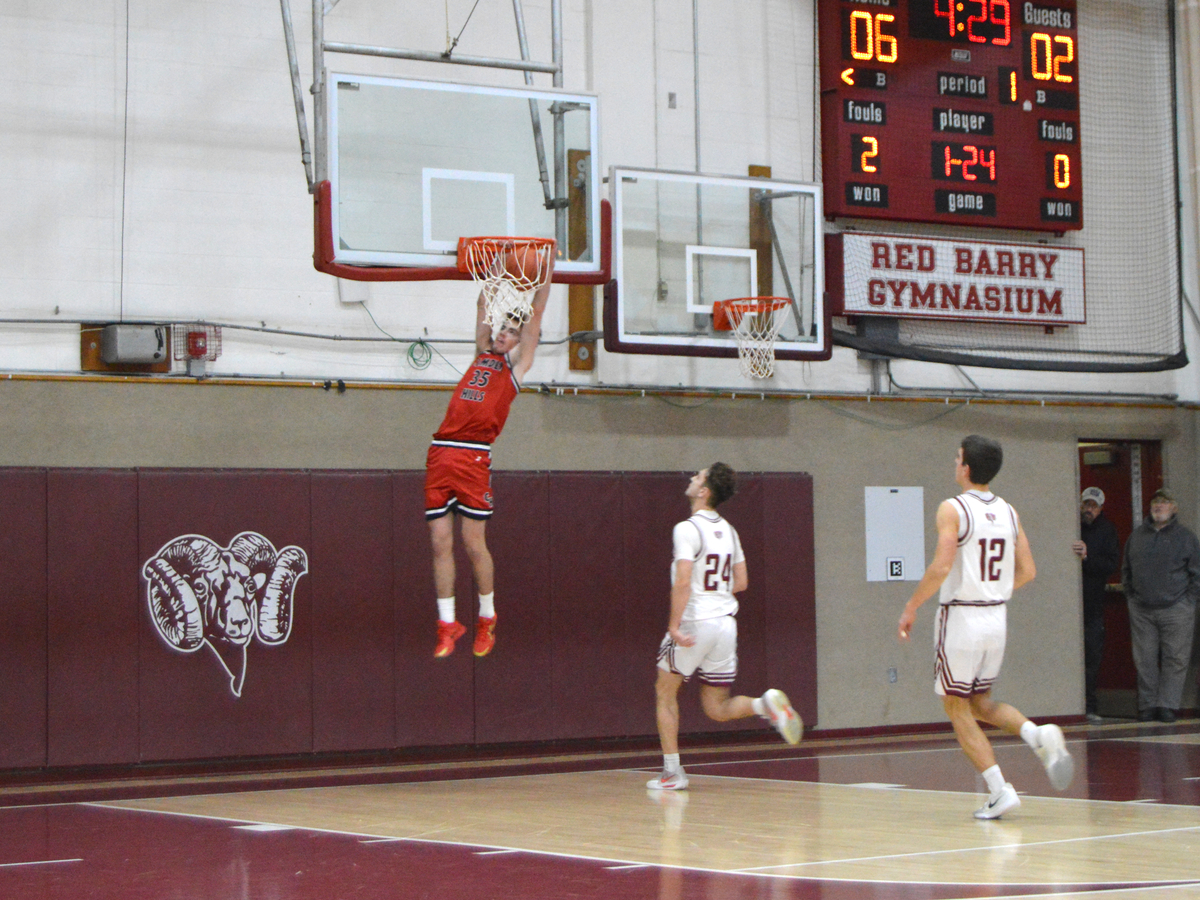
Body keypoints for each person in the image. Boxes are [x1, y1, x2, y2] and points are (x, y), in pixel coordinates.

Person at [898, 435, 1074, 819]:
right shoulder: (1009, 511)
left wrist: (912, 605)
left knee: (955, 706)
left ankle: (999, 790)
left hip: (962, 616)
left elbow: (942, 566)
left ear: (966, 468)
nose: (954, 461)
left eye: (957, 456)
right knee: (981, 703)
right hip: (996, 617)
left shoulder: (953, 509)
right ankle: (1035, 734)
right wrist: (992, 590)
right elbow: (1028, 571)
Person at [425, 249, 554, 659]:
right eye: (503, 327)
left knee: (472, 542)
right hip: (441, 452)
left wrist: (544, 277)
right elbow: (484, 304)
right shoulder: (482, 353)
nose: (504, 332)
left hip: (473, 457)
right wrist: (494, 270)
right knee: (440, 542)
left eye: (511, 331)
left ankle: (486, 617)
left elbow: (534, 324)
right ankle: (448, 624)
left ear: (519, 342)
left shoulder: (515, 370)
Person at [647, 463, 803, 791]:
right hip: (725, 625)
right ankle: (765, 705)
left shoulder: (687, 528)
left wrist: (674, 625)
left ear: (704, 491)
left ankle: (673, 773)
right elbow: (742, 581)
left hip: (696, 622)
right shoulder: (730, 530)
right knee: (715, 708)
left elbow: (684, 581)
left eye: (698, 477)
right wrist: (715, 592)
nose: (692, 478)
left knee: (665, 692)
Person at [1121, 486, 1200, 723]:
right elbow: (1126, 570)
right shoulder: (1136, 537)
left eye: (1164, 502)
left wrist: (1188, 601)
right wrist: (1131, 598)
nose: (1159, 506)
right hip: (1142, 608)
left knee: (1175, 658)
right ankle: (1147, 705)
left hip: (1177, 608)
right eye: (1156, 502)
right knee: (1144, 658)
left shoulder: (1186, 537)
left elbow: (1196, 573)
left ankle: (1167, 705)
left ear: (1173, 508)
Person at [1072, 486, 1120, 724]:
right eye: (1085, 505)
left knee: (1092, 657)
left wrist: (1087, 557)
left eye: (1093, 506)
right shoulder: (1072, 526)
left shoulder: (1108, 530)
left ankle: (1090, 706)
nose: (1088, 510)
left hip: (1093, 604)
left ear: (1101, 508)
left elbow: (1111, 564)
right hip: (1070, 604)